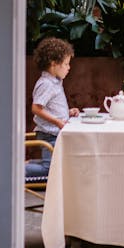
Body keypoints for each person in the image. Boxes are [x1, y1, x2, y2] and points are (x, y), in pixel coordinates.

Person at [25, 37, 80, 176]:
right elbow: (36, 108)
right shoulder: (46, 84)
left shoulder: (55, 82)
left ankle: (26, 164)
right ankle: (14, 170)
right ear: (54, 64)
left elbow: (51, 107)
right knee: (49, 170)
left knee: (54, 165)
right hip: (49, 134)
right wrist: (57, 121)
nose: (69, 67)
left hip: (54, 132)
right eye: (66, 64)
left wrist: (67, 113)